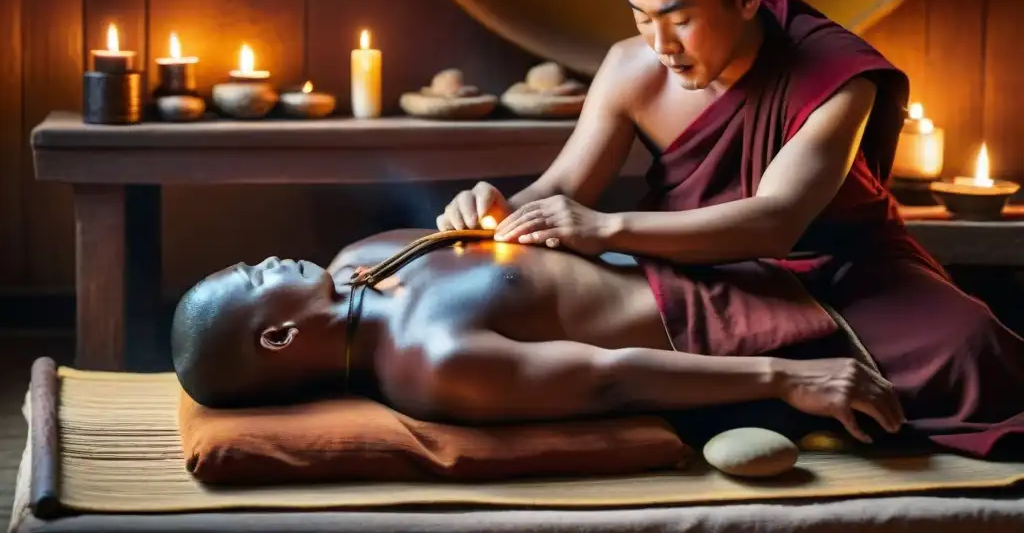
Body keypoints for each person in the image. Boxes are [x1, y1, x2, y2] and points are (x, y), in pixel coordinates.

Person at [435, 0, 1024, 458]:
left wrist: (605, 228)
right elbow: (562, 188)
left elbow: (775, 222)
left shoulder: (838, 75)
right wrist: (501, 206)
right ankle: (782, 396)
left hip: (847, 276)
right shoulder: (631, 69)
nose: (660, 44)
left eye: (678, 18)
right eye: (641, 16)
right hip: (698, 271)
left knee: (975, 352)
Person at [171, 229, 905, 448]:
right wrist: (786, 379)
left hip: (694, 244)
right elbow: (611, 376)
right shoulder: (433, 363)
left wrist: (488, 209)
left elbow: (491, 243)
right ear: (277, 338)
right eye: (254, 274)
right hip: (717, 318)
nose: (268, 257)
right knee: (969, 364)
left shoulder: (353, 264)